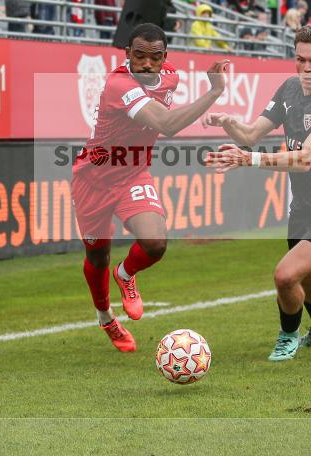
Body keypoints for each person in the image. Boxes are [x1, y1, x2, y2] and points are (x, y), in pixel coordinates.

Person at [203, 25, 311, 361]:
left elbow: (304, 159)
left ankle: (287, 336)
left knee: (286, 274)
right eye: (301, 60)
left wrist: (248, 159)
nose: (307, 69)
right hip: (304, 207)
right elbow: (249, 135)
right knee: (307, 276)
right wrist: (229, 122)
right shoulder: (290, 88)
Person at [71, 24, 229, 351]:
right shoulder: (119, 84)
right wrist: (213, 92)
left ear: (164, 59)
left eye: (154, 58)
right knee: (97, 255)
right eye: (139, 56)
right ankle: (106, 318)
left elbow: (165, 109)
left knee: (155, 243)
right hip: (93, 178)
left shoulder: (170, 76)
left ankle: (126, 274)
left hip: (132, 174)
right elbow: (167, 125)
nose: (146, 64)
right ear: (127, 54)